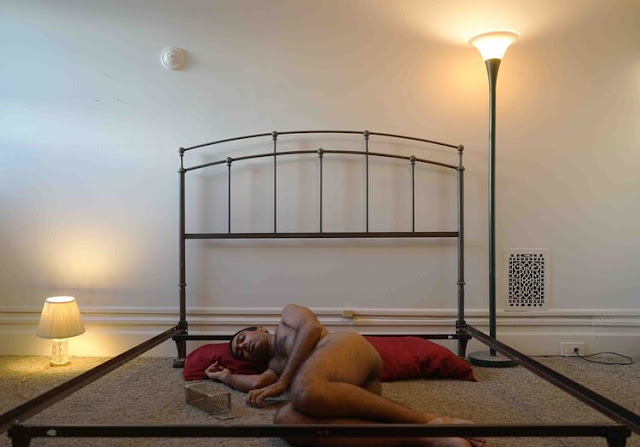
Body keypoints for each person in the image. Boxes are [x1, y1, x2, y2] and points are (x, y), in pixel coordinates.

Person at [205, 304, 484, 447]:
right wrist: (225, 376)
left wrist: (284, 381)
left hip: (347, 351)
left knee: (303, 390)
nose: (243, 348)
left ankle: (430, 421)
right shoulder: (274, 367)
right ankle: (424, 438)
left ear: (259, 328)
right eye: (240, 353)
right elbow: (255, 383)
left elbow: (312, 329)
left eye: (242, 339)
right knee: (285, 421)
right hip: (344, 396)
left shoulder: (288, 317)